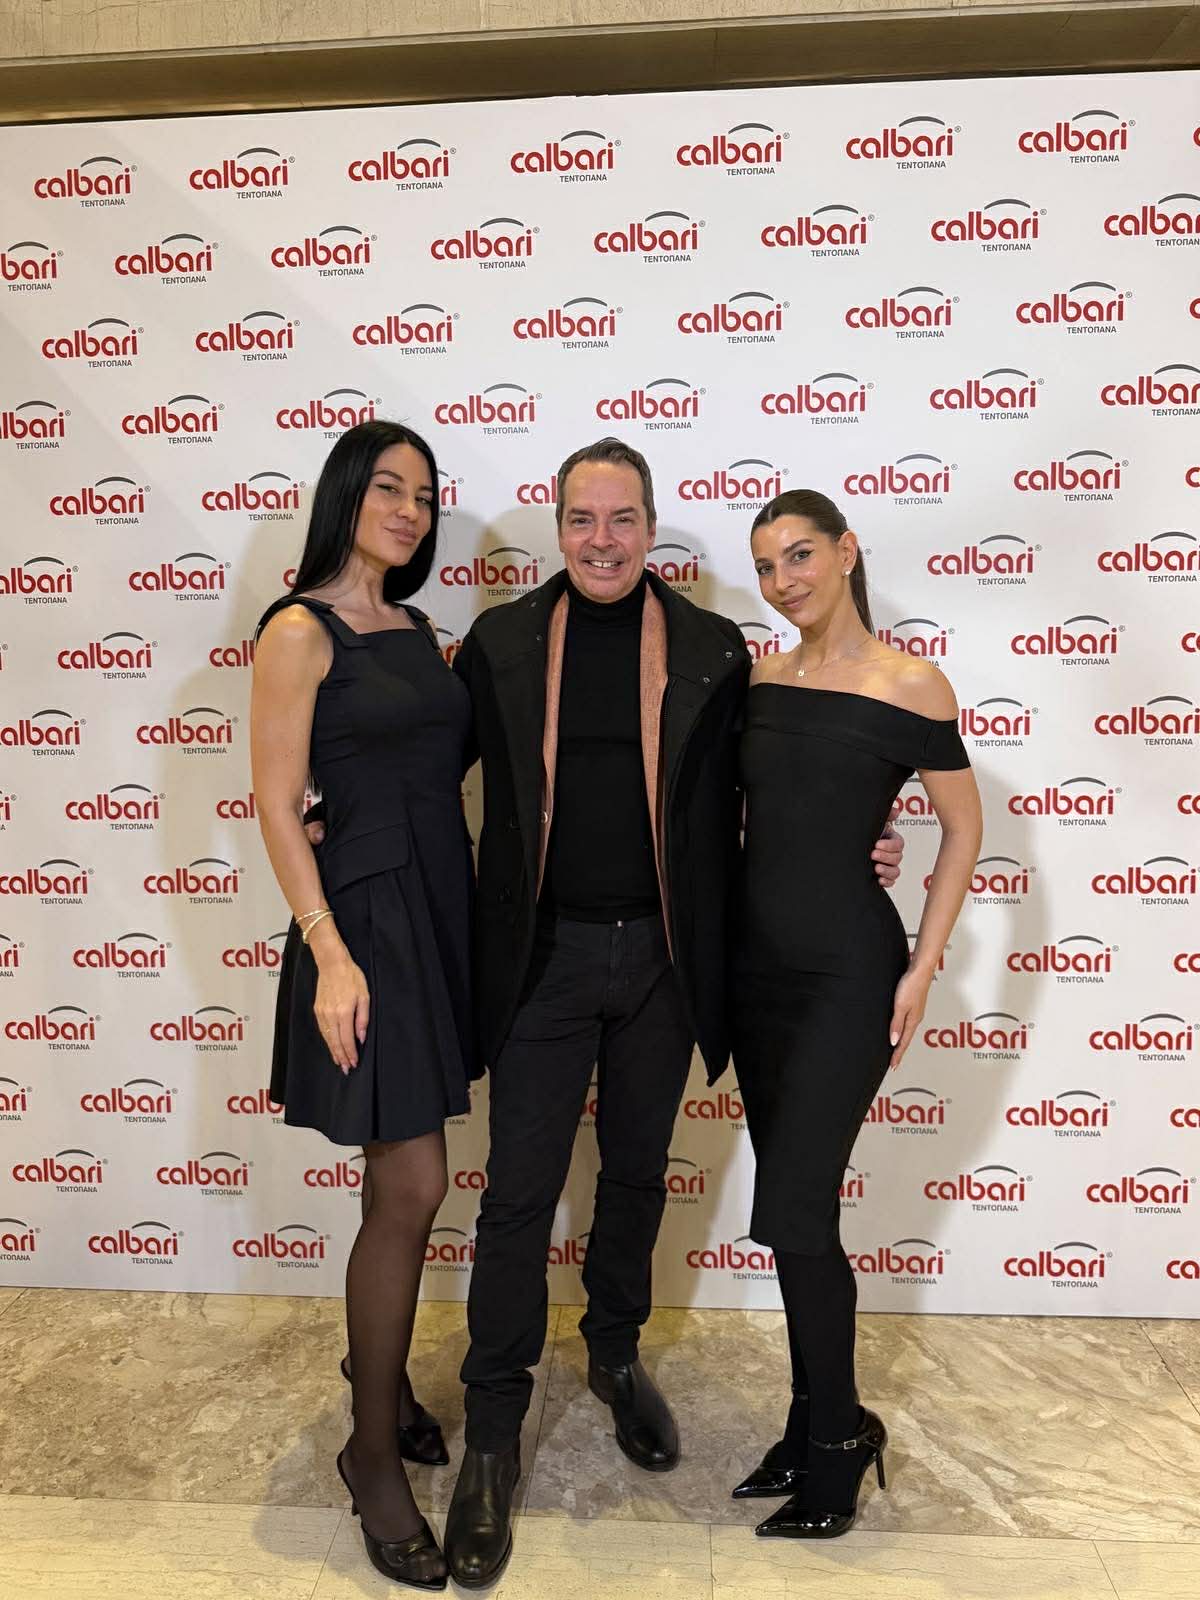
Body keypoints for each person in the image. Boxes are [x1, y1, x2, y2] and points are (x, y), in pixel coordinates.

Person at [440, 440, 905, 1588]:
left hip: (662, 960)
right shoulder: (501, 643)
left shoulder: (711, 650)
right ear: (558, 526)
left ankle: (611, 1353)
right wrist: (323, 800)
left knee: (639, 1175)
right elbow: (426, 767)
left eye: (623, 519)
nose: (602, 540)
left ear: (651, 529)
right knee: (516, 1196)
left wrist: (858, 838)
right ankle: (492, 1431)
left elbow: (769, 790)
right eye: (581, 519)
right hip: (541, 962)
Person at [729, 489, 982, 1539]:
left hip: (847, 976)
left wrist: (923, 963)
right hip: (753, 976)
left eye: (799, 556)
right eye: (766, 566)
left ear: (845, 552)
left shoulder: (912, 683)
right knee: (800, 1219)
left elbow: (963, 829)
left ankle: (838, 1441)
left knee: (792, 1209)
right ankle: (812, 1418)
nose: (783, 580)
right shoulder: (759, 679)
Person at [252, 420, 477, 1592]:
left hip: (437, 909)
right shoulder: (299, 629)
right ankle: (371, 1453)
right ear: (346, 494)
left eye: (425, 496)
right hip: (367, 927)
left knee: (396, 1177)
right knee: (414, 1181)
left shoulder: (421, 631)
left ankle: (377, 1383)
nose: (409, 510)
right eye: (390, 487)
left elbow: (437, 763)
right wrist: (331, 954)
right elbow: (277, 804)